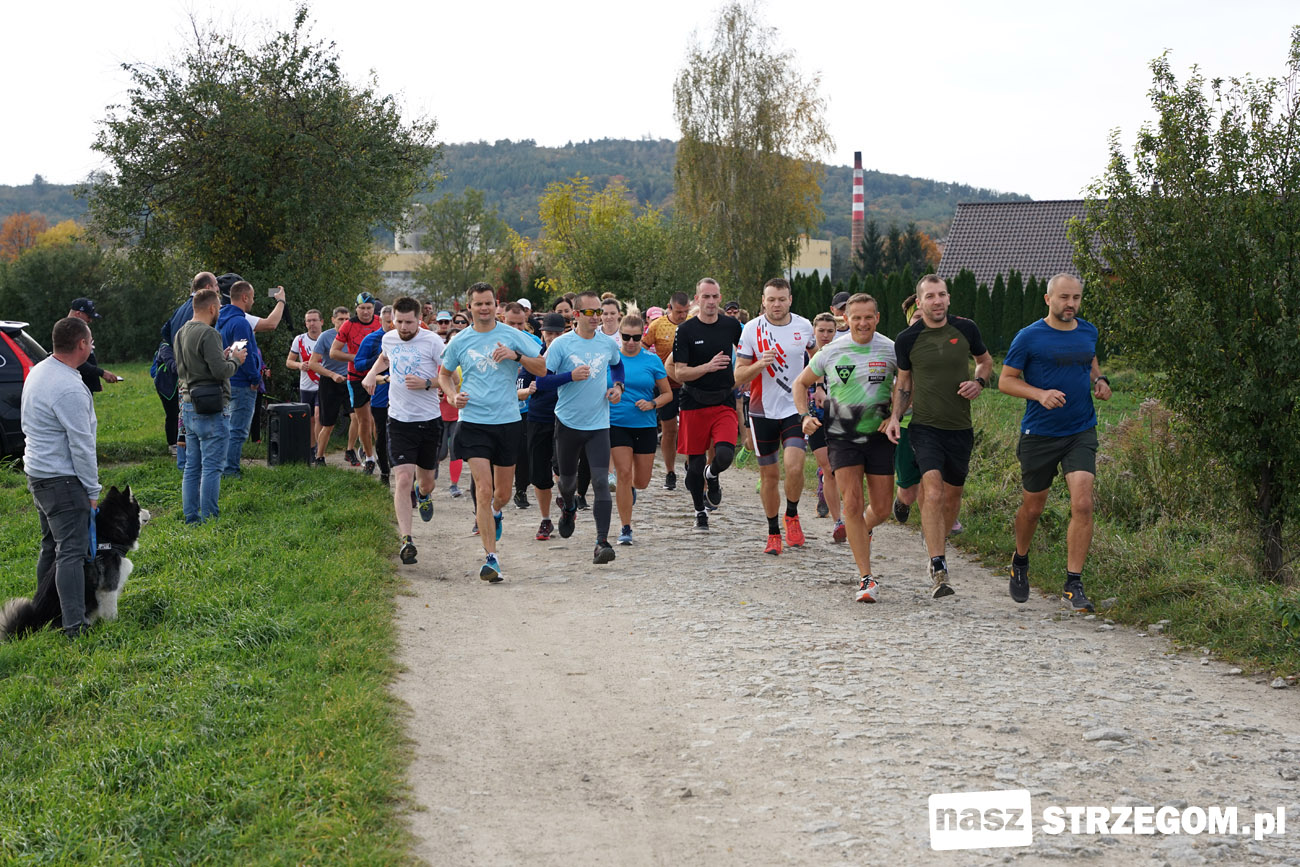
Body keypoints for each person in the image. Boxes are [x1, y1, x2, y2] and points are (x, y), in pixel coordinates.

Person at [999, 273, 1111, 612]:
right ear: (1048, 299)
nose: (1071, 304)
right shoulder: (1030, 337)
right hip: (1040, 434)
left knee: (1083, 504)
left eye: (1076, 298)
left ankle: (1073, 582)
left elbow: (1088, 357)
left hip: (1080, 430)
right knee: (1033, 509)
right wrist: (1040, 394)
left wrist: (1100, 379)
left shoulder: (1088, 330)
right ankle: (1020, 560)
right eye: (1064, 298)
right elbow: (1005, 381)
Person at [885, 274, 993, 599]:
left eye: (942, 295)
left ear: (948, 298)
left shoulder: (967, 329)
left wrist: (980, 382)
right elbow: (904, 384)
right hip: (925, 427)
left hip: (960, 428)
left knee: (951, 496)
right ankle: (938, 566)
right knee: (931, 491)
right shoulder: (907, 339)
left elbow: (986, 362)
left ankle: (934, 539)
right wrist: (894, 417)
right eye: (930, 296)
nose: (937, 301)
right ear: (919, 302)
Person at [438, 282, 546, 581]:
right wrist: (451, 395)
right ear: (468, 306)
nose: (483, 308)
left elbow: (541, 368)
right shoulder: (460, 341)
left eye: (488, 303)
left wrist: (516, 356)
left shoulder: (514, 336)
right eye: (477, 304)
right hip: (472, 422)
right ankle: (491, 558)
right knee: (483, 491)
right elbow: (445, 375)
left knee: (502, 494)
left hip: (508, 422)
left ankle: (497, 513)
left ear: (495, 305)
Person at [796, 294, 897, 601]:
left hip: (879, 436)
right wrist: (804, 417)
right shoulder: (831, 351)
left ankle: (861, 530)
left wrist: (896, 415)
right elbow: (801, 383)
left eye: (868, 317)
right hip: (841, 436)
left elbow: (909, 385)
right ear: (846, 320)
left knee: (881, 508)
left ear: (877, 318)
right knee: (851, 503)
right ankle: (866, 579)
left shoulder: (891, 349)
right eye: (857, 318)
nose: (863, 323)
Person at [20, 316, 101, 637]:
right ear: (81, 344)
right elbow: (81, 446)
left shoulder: (39, 371)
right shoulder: (69, 387)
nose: (92, 345)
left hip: (37, 472)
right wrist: (92, 490)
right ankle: (73, 626)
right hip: (62, 480)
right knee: (71, 550)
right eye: (90, 340)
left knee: (51, 546)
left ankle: (42, 612)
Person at [735, 278, 816, 555]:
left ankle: (791, 514)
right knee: (769, 475)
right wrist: (759, 363)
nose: (776, 304)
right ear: (763, 301)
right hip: (762, 411)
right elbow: (738, 375)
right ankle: (773, 532)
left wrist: (820, 389)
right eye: (771, 299)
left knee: (794, 467)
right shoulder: (751, 329)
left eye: (781, 299)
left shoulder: (804, 327)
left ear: (790, 299)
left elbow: (818, 360)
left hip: (795, 408)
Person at [362, 297, 445, 564]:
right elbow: (385, 358)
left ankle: (424, 495)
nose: (403, 327)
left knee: (426, 481)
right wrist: (371, 373)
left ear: (419, 320)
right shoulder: (389, 338)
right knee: (403, 479)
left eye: (409, 322)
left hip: (429, 420)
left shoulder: (433, 341)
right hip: (398, 420)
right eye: (398, 321)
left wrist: (426, 383)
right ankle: (407, 540)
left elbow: (451, 375)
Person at [547, 291, 626, 564]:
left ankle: (601, 542)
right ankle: (568, 507)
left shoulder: (607, 344)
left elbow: (618, 368)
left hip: (598, 424)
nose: (598, 317)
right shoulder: (561, 345)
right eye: (591, 312)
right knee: (568, 482)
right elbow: (542, 383)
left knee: (601, 481)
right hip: (568, 423)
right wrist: (569, 376)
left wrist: (618, 387)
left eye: (600, 312)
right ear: (577, 315)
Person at [670, 278, 744, 531]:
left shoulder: (732, 326)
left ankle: (712, 477)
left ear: (720, 298)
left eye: (715, 297)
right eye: (706, 297)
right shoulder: (686, 330)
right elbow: (679, 373)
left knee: (724, 454)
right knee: (694, 465)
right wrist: (707, 367)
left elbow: (748, 352)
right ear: (697, 299)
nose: (711, 301)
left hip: (723, 399)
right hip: (693, 401)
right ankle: (699, 511)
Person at [176, 288, 247, 524]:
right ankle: (210, 519)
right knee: (212, 467)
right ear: (212, 308)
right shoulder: (209, 333)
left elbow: (187, 367)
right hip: (211, 408)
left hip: (188, 405)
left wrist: (223, 356)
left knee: (191, 467)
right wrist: (235, 360)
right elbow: (220, 371)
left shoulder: (181, 332)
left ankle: (192, 519)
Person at [609, 312, 671, 545]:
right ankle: (626, 528)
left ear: (642, 335)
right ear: (620, 335)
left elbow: (668, 394)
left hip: (644, 425)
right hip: (617, 423)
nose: (631, 342)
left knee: (641, 481)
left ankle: (631, 489)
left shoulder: (651, 360)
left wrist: (652, 403)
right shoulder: (611, 359)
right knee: (623, 473)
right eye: (626, 337)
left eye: (636, 337)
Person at [519, 312, 571, 540]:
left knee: (563, 468)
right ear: (541, 333)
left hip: (566, 418)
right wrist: (527, 391)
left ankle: (566, 499)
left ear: (565, 333)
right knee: (539, 474)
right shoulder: (534, 356)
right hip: (538, 417)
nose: (551, 337)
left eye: (556, 333)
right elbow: (519, 390)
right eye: (548, 333)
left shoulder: (571, 356)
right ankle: (546, 519)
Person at [216, 280, 265, 478]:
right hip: (242, 383)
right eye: (252, 297)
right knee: (237, 431)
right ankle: (231, 471)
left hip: (227, 380)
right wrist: (255, 378)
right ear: (245, 297)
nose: (253, 301)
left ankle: (222, 466)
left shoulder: (222, 320)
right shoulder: (241, 323)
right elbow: (241, 352)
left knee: (226, 428)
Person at [642, 291, 690, 490]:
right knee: (670, 430)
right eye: (679, 312)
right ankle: (670, 472)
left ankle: (691, 464)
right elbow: (643, 348)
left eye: (686, 312)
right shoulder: (657, 325)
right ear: (669, 308)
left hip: (689, 383)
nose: (683, 316)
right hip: (666, 385)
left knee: (690, 428)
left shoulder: (693, 323)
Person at [331, 292, 383, 470]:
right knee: (364, 421)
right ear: (356, 308)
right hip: (356, 376)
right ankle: (369, 458)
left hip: (379, 375)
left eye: (369, 308)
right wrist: (357, 357)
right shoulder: (348, 325)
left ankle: (382, 455)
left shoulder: (381, 322)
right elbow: (334, 352)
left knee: (380, 418)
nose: (366, 312)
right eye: (362, 308)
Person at [807, 312, 844, 541]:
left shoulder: (843, 355)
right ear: (814, 332)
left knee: (843, 469)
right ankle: (838, 521)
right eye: (821, 331)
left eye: (830, 331)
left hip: (842, 417)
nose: (826, 335)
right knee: (829, 468)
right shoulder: (805, 357)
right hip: (815, 419)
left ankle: (849, 514)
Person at [504, 302, 544, 508]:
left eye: (520, 324)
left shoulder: (534, 341)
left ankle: (521, 490)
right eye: (511, 323)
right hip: (501, 406)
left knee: (524, 451)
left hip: (527, 407)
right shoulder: (495, 340)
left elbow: (542, 368)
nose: (516, 329)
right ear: (503, 319)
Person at [354, 305, 396, 484]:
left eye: (395, 321)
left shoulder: (404, 338)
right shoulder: (372, 339)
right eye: (388, 322)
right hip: (380, 395)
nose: (393, 325)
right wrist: (378, 359)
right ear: (380, 321)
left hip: (402, 396)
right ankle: (385, 472)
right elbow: (358, 364)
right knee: (381, 433)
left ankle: (401, 468)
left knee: (399, 433)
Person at [308, 307, 353, 464]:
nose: (344, 322)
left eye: (347, 319)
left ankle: (350, 450)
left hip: (350, 380)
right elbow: (313, 363)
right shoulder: (326, 337)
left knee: (357, 417)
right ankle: (319, 456)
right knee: (328, 424)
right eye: (340, 319)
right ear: (333, 320)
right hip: (330, 381)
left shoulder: (354, 335)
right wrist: (332, 375)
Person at [287, 309, 324, 456]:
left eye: (314, 320)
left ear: (321, 322)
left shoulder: (327, 338)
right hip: (306, 385)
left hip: (323, 384)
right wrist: (299, 365)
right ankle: (310, 448)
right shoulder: (300, 339)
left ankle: (319, 451)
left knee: (318, 414)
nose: (312, 324)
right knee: (309, 419)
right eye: (309, 321)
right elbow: (289, 361)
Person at [66, 298, 121, 393]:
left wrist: (94, 380)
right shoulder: (68, 331)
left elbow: (87, 358)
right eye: (88, 316)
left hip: (85, 386)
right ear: (78, 314)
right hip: (75, 387)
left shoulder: (78, 330)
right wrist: (101, 373)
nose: (90, 320)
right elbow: (76, 361)